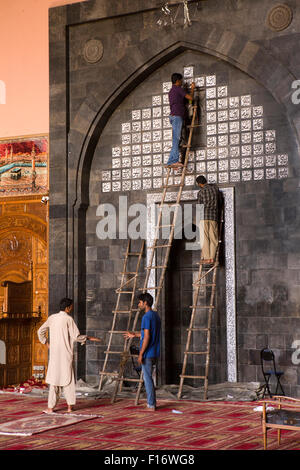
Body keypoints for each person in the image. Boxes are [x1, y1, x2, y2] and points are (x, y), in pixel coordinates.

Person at [37, 297, 101, 414]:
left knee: (54, 380)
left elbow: (40, 331)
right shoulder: (68, 319)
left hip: (55, 355)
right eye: (71, 306)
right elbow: (76, 336)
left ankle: (50, 408)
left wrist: (46, 343)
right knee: (68, 380)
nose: (72, 308)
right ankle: (69, 407)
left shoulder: (52, 318)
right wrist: (89, 338)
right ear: (67, 308)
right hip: (66, 354)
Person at [124, 293, 161, 411]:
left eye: (140, 302)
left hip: (148, 353)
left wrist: (140, 354)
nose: (138, 304)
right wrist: (134, 334)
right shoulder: (156, 316)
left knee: (148, 379)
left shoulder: (146, 317)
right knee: (149, 377)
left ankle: (151, 404)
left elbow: (147, 337)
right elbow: (147, 333)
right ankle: (151, 403)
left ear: (145, 303)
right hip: (155, 351)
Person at [166, 72, 195, 168]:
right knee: (176, 139)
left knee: (176, 140)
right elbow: (190, 98)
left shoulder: (171, 91)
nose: (182, 82)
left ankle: (172, 161)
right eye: (181, 80)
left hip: (174, 116)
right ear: (178, 81)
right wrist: (193, 89)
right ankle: (172, 161)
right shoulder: (178, 89)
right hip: (177, 116)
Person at [196, 175, 221, 265]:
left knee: (204, 238)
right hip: (213, 217)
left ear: (199, 184)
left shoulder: (200, 192)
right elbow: (219, 201)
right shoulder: (215, 190)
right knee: (213, 238)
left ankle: (207, 258)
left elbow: (199, 207)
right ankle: (212, 258)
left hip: (203, 217)